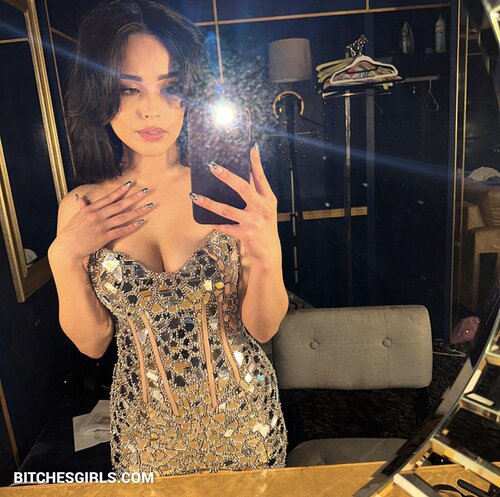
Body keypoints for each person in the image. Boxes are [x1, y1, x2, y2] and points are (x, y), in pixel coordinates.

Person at [47, 0, 289, 477]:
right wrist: (64, 256)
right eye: (129, 89)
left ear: (189, 92)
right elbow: (93, 343)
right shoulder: (83, 208)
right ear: (101, 94)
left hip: (246, 424)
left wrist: (268, 252)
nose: (151, 109)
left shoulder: (230, 190)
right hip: (145, 436)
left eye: (170, 87)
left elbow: (262, 329)